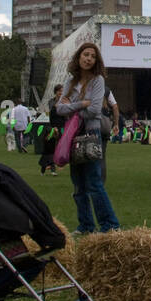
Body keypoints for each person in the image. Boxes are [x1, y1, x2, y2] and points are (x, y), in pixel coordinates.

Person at [57, 42, 121, 233]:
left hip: (91, 134)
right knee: (78, 185)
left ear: (96, 61)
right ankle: (85, 225)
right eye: (86, 55)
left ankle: (110, 225)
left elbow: (95, 110)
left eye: (93, 56)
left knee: (94, 182)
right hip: (73, 136)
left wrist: (73, 108)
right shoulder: (70, 82)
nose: (89, 59)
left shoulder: (97, 80)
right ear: (78, 57)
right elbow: (59, 108)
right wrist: (81, 104)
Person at [39, 84, 62, 176]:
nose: (61, 93)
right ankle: (46, 169)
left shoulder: (65, 101)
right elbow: (53, 110)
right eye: (59, 91)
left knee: (58, 149)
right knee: (50, 149)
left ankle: (52, 167)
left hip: (62, 126)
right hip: (53, 127)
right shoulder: (52, 102)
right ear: (56, 92)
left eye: (62, 91)